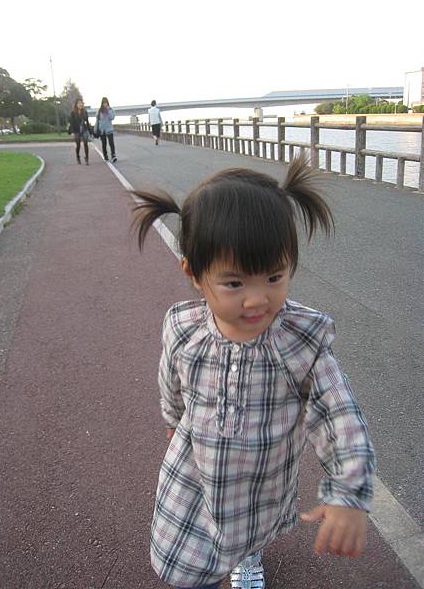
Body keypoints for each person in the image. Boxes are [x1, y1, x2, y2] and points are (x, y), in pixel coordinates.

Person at [131, 154, 376, 589]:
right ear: (194, 273)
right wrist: (172, 417)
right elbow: (170, 377)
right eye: (234, 283)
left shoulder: (300, 342)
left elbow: (340, 416)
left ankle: (248, 554)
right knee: (182, 561)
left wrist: (349, 491)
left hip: (262, 476)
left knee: (246, 530)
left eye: (274, 277)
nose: (257, 299)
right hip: (197, 466)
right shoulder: (184, 328)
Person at [68, 98, 91, 165]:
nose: (80, 104)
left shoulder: (85, 112)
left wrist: (90, 131)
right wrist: (72, 132)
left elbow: (87, 122)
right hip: (76, 130)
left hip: (84, 130)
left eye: (81, 103)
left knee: (85, 143)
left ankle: (87, 158)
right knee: (78, 144)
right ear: (76, 104)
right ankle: (78, 157)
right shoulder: (73, 113)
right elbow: (71, 123)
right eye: (79, 103)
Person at [96, 97, 117, 162]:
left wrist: (108, 111)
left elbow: (112, 118)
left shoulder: (111, 110)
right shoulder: (99, 111)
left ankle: (113, 156)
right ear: (102, 103)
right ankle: (105, 156)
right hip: (102, 130)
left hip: (109, 129)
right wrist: (96, 129)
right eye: (104, 103)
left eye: (106, 103)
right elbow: (97, 121)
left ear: (108, 103)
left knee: (111, 143)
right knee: (104, 144)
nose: (105, 104)